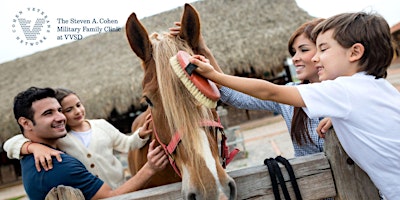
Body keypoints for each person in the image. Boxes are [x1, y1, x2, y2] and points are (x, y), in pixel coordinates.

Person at [190, 12, 400, 199]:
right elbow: (237, 95)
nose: (301, 58)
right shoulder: (376, 88)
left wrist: (214, 75)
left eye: (320, 49)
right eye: (294, 52)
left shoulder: (342, 91)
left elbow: (270, 91)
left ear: (354, 52)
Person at [170, 19, 328, 157]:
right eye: (293, 52)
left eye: (304, 50)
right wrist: (203, 50)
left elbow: (269, 91)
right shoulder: (289, 98)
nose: (295, 59)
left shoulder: (348, 90)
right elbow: (234, 96)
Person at [11, 86, 168, 200]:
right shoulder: (60, 145)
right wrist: (31, 146)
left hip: (120, 186)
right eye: (49, 113)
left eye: (59, 110)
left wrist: (139, 135)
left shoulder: (100, 125)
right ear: (26, 123)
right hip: (108, 194)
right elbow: (10, 144)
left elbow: (125, 143)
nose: (75, 112)